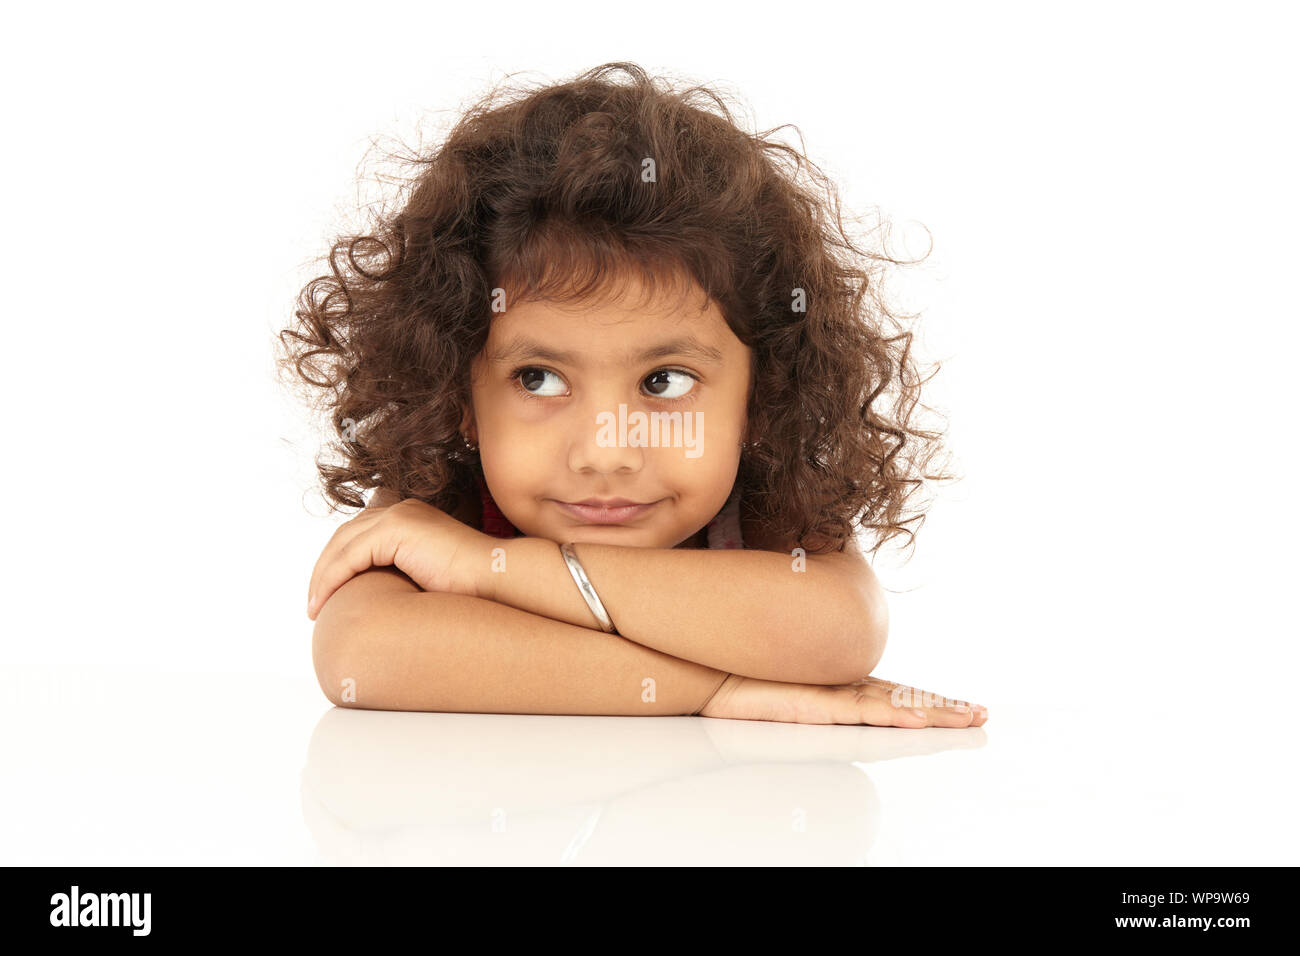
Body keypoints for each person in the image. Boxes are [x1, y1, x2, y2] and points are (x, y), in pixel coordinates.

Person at [280, 62, 985, 727]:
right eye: (538, 379)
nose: (606, 452)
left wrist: (483, 570)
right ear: (456, 392)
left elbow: (839, 633)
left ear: (761, 395)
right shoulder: (444, 496)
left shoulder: (764, 505)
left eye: (664, 383)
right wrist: (722, 686)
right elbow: (364, 654)